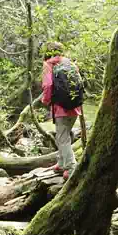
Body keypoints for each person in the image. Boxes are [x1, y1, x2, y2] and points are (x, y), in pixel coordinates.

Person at [40, 42, 82, 179]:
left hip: (60, 108)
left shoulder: (48, 65)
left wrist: (45, 101)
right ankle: (61, 163)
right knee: (64, 134)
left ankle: (71, 167)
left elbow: (47, 85)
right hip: (75, 106)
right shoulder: (69, 63)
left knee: (62, 137)